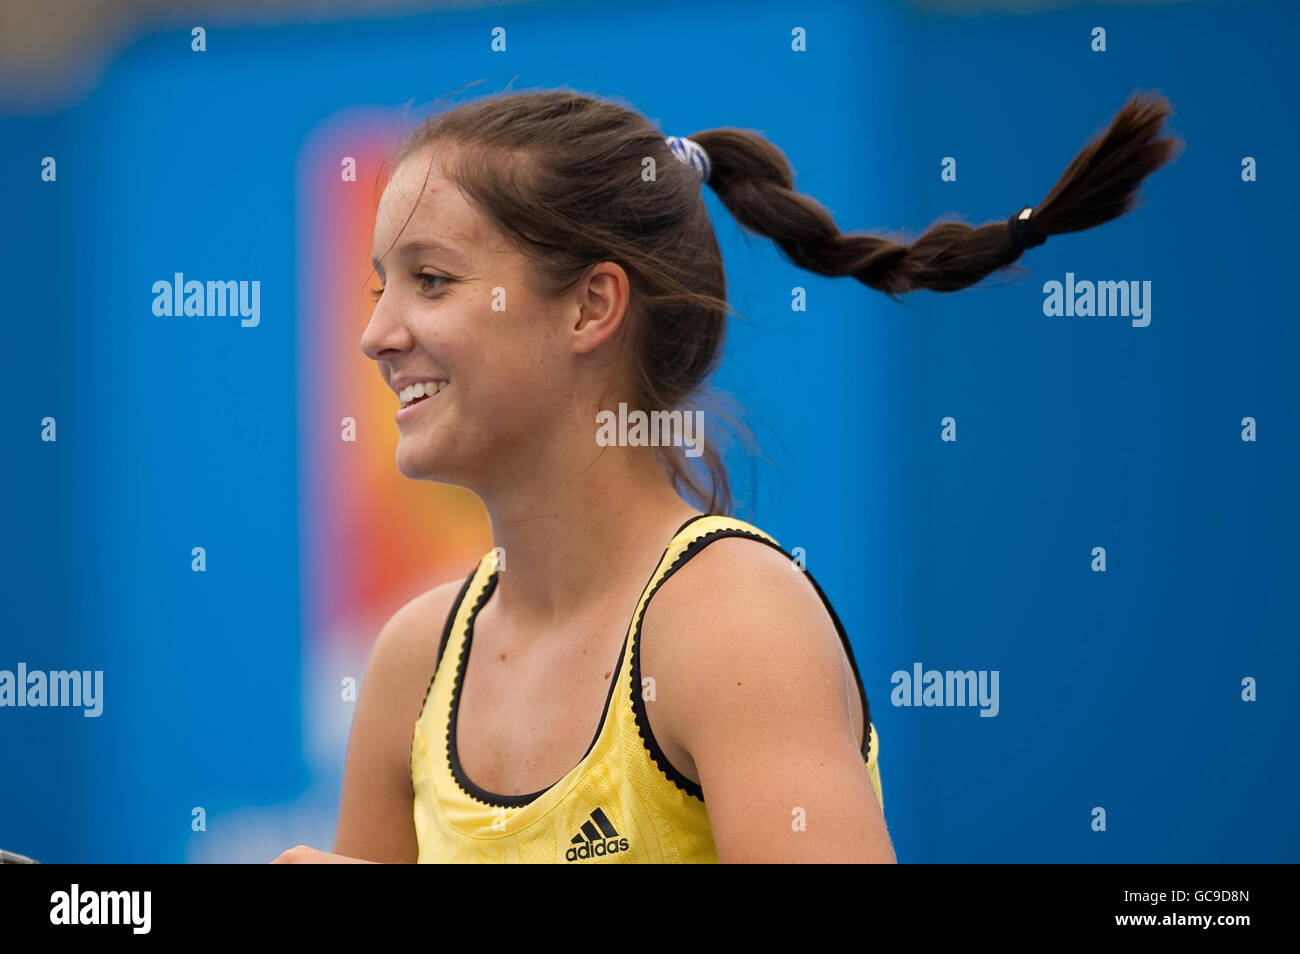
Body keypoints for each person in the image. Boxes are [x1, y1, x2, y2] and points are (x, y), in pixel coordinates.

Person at [273, 87, 1179, 864]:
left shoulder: (733, 625)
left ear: (592, 305)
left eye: (431, 281)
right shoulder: (414, 662)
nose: (378, 334)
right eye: (378, 286)